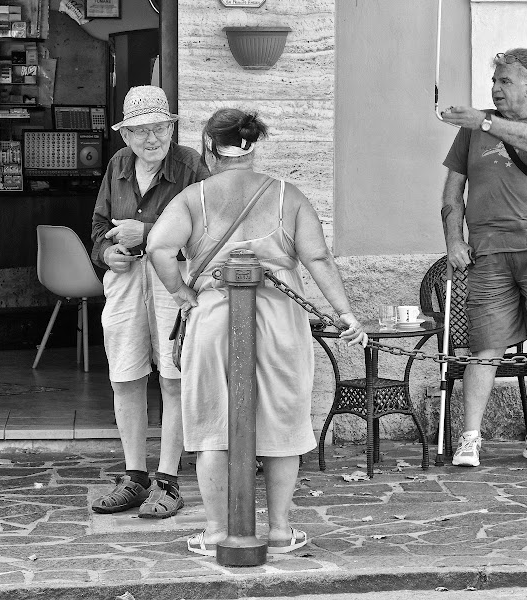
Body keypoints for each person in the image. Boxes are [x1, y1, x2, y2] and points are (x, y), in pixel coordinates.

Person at [147, 108, 367, 555]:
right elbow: (318, 260)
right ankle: (282, 530)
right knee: (283, 423)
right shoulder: (289, 195)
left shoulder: (195, 197)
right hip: (280, 318)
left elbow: (158, 247)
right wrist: (345, 313)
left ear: (210, 147)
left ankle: (213, 532)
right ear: (252, 147)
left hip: (213, 317)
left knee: (212, 425)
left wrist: (185, 296)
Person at [439, 48, 527, 467]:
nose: (495, 88)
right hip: (489, 252)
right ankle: (470, 439)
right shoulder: (472, 129)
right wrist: (453, 242)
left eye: (505, 81)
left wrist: (483, 121)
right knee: (484, 347)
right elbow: (450, 195)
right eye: (494, 80)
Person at [90, 86, 210, 518]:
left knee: (173, 374)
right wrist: (106, 254)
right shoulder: (118, 164)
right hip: (125, 280)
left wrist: (150, 232)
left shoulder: (190, 165)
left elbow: (208, 226)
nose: (151, 139)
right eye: (140, 131)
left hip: (172, 275)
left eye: (159, 128)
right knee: (125, 372)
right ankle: (135, 477)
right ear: (126, 136)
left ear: (171, 128)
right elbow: (99, 225)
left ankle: (168, 480)